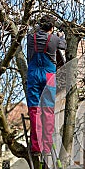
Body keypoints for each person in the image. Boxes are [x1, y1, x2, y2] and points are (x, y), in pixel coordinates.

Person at [26, 15, 67, 157]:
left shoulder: (30, 38)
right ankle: (47, 145)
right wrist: (60, 36)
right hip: (49, 77)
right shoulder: (55, 39)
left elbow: (32, 31)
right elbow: (63, 45)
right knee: (48, 111)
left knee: (34, 110)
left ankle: (36, 146)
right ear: (52, 27)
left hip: (33, 75)